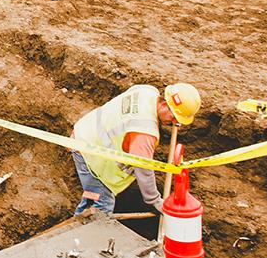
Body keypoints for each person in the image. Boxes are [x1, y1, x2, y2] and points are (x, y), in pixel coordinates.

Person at [70, 83, 201, 215]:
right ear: (165, 105)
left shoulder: (146, 91)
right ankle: (85, 234)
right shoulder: (145, 132)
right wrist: (154, 201)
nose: (173, 123)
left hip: (86, 133)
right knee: (102, 205)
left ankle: (77, 224)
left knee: (92, 198)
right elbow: (143, 168)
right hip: (90, 155)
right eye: (173, 117)